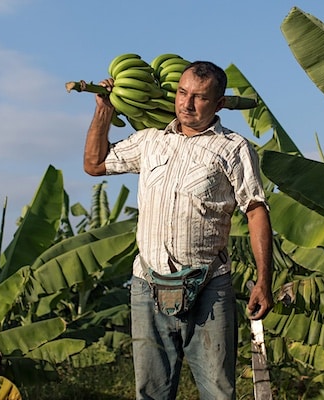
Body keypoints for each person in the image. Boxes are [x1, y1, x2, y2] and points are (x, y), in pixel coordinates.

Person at [83, 60, 273, 400]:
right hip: (147, 285)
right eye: (182, 93)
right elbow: (94, 164)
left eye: (199, 98)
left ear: (218, 105)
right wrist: (103, 113)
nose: (186, 104)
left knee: (218, 391)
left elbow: (256, 210)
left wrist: (263, 279)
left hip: (209, 287)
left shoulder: (233, 148)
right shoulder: (150, 141)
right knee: (151, 392)